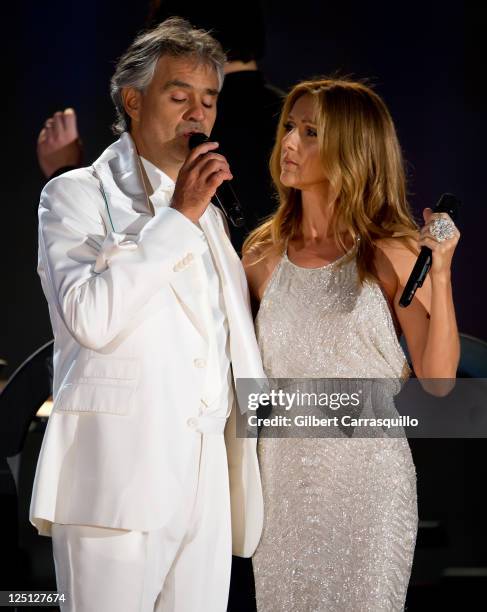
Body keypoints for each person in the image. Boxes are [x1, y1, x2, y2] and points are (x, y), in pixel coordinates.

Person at [30, 17, 266, 612]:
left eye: (209, 100)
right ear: (133, 101)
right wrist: (177, 217)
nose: (198, 113)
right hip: (117, 484)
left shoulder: (210, 214)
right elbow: (91, 316)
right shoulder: (75, 194)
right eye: (179, 94)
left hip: (206, 486)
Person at [242, 78, 460, 610]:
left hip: (369, 486)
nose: (289, 143)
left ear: (353, 149)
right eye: (289, 127)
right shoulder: (261, 257)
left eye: (311, 132)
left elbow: (437, 382)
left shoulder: (390, 253)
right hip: (281, 488)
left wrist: (442, 275)